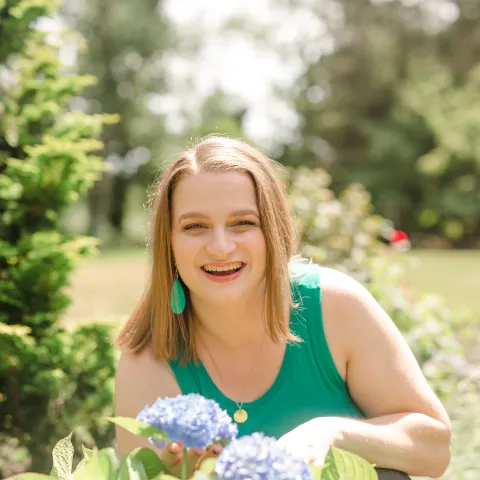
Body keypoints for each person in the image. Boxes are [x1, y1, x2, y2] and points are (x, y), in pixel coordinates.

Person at [114, 135, 451, 478]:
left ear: (272, 230)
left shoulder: (336, 306)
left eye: (242, 223)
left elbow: (435, 450)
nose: (219, 246)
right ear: (169, 242)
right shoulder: (147, 360)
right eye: (195, 226)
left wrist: (329, 433)